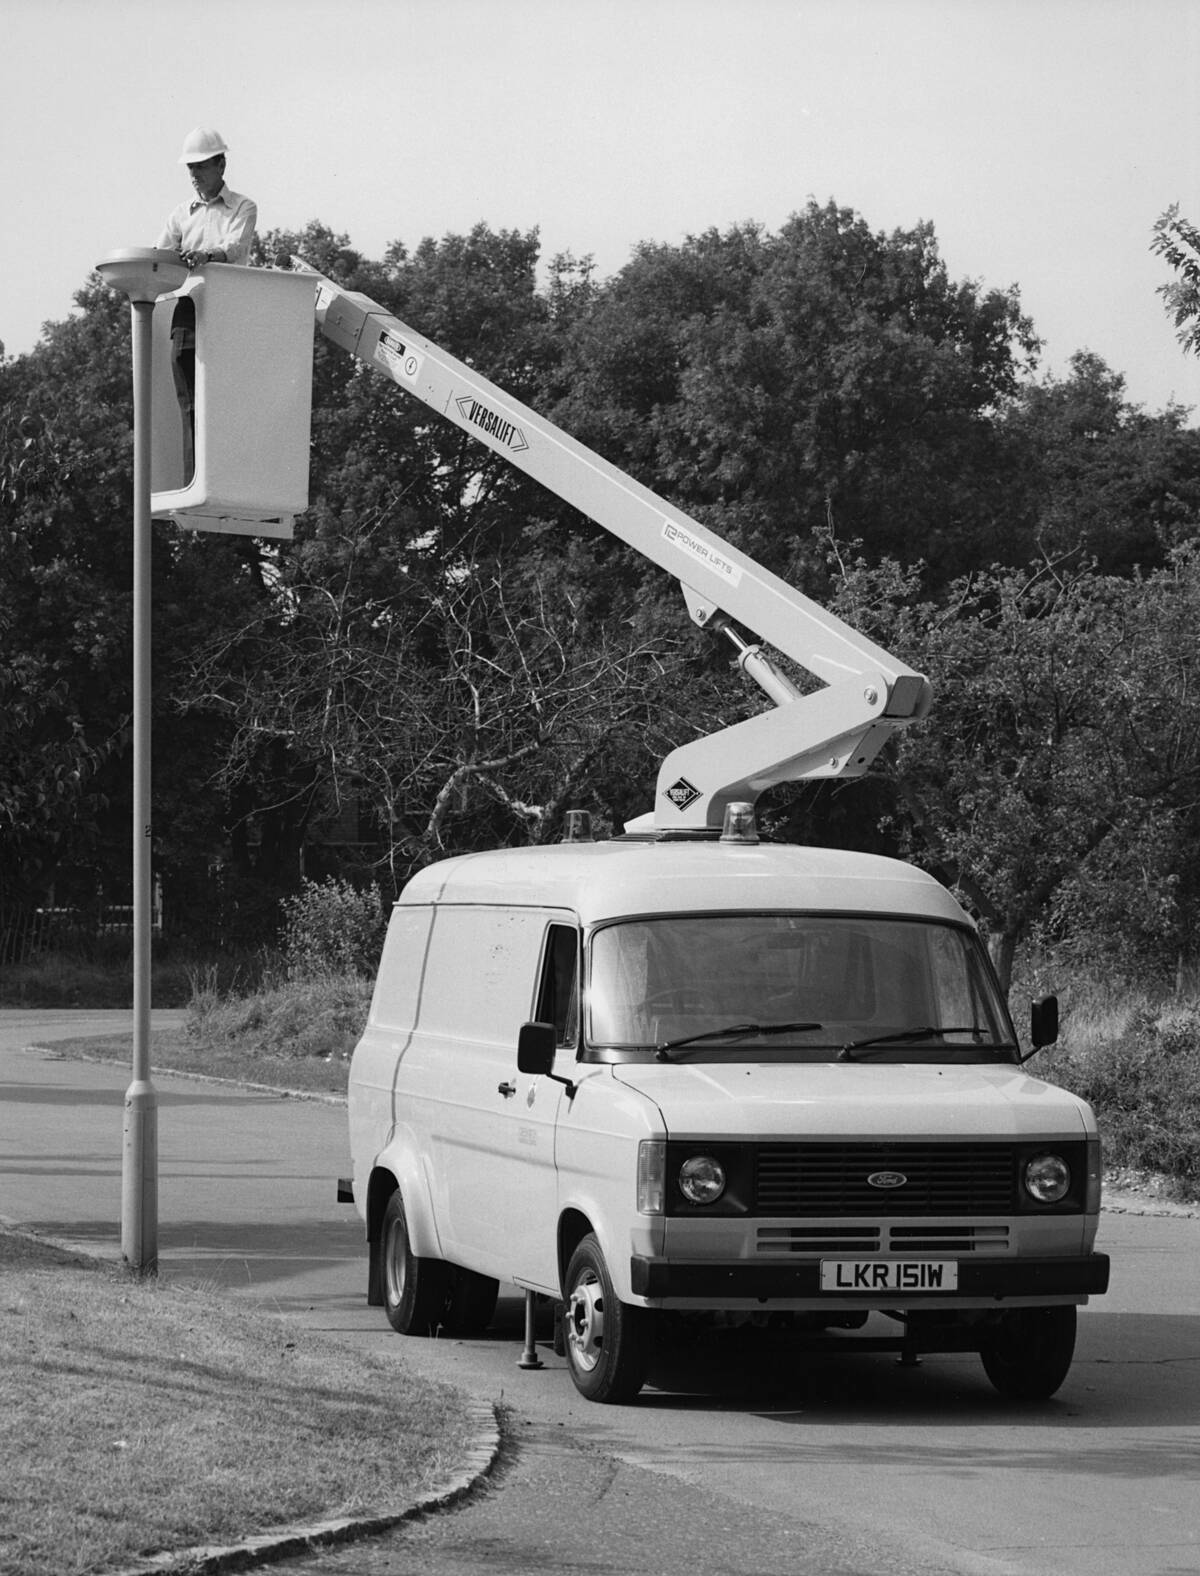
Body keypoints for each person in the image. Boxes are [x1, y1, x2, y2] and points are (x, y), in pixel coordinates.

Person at [156, 128, 257, 480]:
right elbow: (160, 256)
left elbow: (235, 248)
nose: (194, 174)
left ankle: (228, 479)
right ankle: (195, 482)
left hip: (228, 309)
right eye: (191, 167)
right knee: (190, 404)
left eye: (201, 166)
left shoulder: (242, 207)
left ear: (221, 165)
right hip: (188, 311)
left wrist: (205, 255)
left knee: (224, 402)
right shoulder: (180, 214)